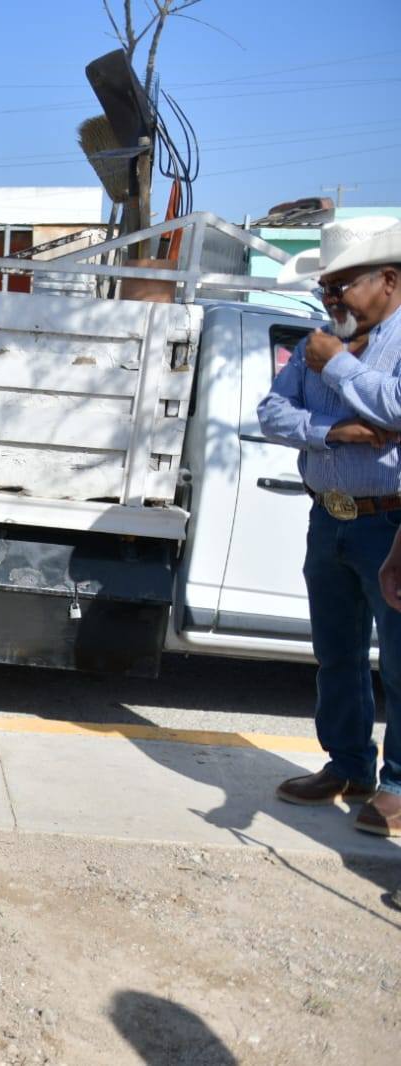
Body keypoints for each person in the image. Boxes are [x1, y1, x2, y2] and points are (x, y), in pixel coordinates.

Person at [261, 218, 401, 837]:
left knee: (398, 663)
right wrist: (330, 432)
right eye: (324, 289)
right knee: (336, 655)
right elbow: (272, 410)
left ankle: (397, 784)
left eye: (341, 284)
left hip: (391, 523)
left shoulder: (335, 350)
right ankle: (348, 766)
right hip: (331, 517)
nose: (331, 299)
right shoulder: (322, 343)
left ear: (389, 281)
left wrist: (339, 367)